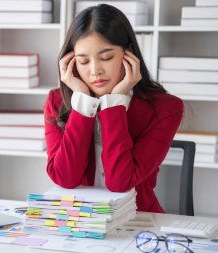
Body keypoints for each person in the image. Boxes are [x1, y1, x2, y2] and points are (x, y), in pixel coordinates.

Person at [44, 4, 183, 213]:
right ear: (71, 63)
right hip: (78, 221)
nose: (95, 71)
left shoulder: (166, 108)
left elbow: (121, 181)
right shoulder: (57, 102)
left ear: (129, 55)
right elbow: (65, 178)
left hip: (139, 221)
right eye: (83, 61)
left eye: (106, 58)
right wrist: (83, 106)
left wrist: (113, 105)